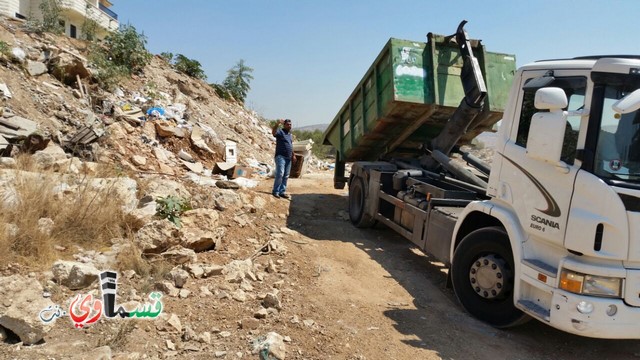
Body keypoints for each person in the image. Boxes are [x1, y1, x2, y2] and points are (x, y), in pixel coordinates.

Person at [271, 119, 296, 199]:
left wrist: (293, 155)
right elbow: (274, 132)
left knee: (286, 175)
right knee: (280, 173)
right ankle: (275, 191)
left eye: (290, 124)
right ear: (284, 125)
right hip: (280, 156)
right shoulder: (280, 132)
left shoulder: (289, 135)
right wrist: (277, 123)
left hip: (288, 158)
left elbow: (290, 145)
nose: (289, 126)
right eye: (288, 124)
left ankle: (282, 191)